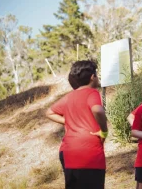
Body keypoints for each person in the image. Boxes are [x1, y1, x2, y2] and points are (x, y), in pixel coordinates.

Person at [46, 60, 108, 189]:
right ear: (92, 77)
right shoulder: (92, 93)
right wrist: (104, 130)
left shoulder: (69, 97)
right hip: (88, 151)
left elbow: (50, 112)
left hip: (67, 152)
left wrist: (68, 120)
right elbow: (98, 110)